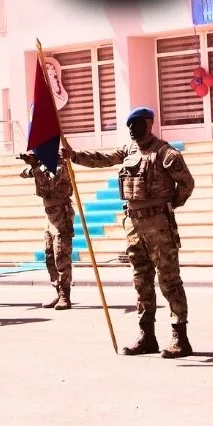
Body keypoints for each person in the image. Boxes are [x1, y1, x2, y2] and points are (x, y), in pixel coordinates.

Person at [62, 107, 195, 358]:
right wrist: (74, 156)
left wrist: (171, 205)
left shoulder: (166, 153)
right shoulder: (129, 151)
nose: (132, 129)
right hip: (133, 225)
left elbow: (187, 183)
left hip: (159, 226)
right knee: (141, 281)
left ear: (149, 123)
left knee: (169, 281)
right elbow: (103, 159)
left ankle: (180, 337)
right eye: (129, 125)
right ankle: (147, 335)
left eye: (136, 124)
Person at [19, 151, 74, 310]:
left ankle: (65, 296)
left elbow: (49, 183)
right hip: (50, 215)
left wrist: (36, 165)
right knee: (49, 256)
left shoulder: (60, 165)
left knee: (61, 256)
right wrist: (33, 164)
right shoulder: (44, 165)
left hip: (61, 214)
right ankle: (58, 291)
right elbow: (23, 174)